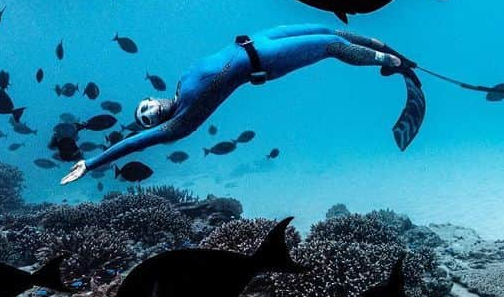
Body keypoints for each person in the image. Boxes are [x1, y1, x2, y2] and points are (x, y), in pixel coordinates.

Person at [60, 24, 418, 184]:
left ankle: (386, 49)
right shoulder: (181, 121)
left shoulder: (181, 86)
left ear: (151, 99)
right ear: (156, 122)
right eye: (148, 117)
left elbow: (138, 134)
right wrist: (91, 163)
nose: (151, 111)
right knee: (329, 44)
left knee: (331, 30)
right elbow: (134, 142)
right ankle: (392, 63)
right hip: (266, 58)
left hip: (260, 38)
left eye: (146, 107)